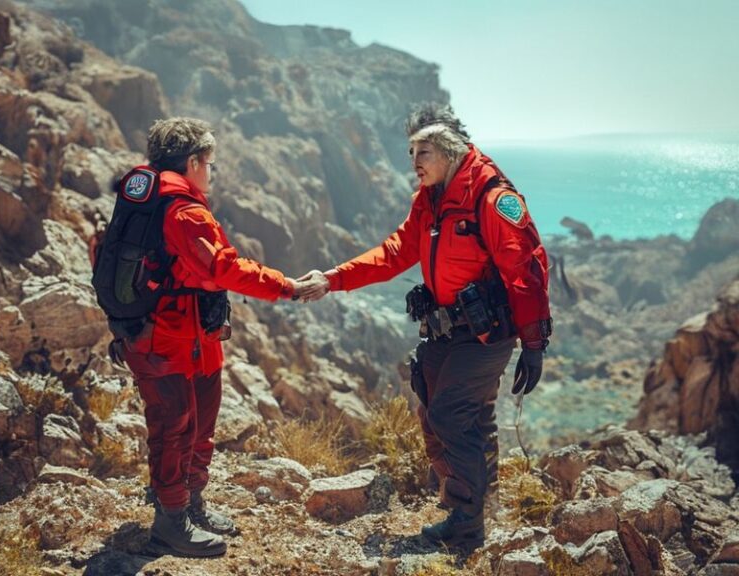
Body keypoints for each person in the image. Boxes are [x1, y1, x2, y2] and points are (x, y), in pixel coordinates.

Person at [298, 103, 552, 549]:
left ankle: (466, 523)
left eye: (424, 151)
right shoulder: (430, 199)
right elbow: (395, 253)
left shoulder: (492, 197)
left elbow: (526, 268)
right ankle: (476, 504)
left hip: (486, 334)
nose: (414, 162)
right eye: (411, 151)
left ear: (452, 151)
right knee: (445, 415)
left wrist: (534, 343)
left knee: (451, 414)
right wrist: (332, 279)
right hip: (442, 331)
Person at [104, 118, 308, 557]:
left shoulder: (145, 198)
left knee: (200, 423)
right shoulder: (183, 210)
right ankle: (170, 522)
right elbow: (223, 269)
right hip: (166, 337)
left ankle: (192, 503)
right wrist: (286, 286)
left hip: (189, 334)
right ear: (194, 161)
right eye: (210, 164)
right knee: (174, 426)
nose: (211, 173)